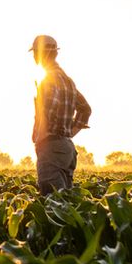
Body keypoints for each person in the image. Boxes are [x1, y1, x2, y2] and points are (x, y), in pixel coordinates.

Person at [30, 35, 91, 195]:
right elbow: (86, 109)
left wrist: (42, 137)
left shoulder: (48, 79)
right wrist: (69, 132)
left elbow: (49, 109)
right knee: (66, 203)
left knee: (53, 202)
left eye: (35, 53)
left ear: (39, 54)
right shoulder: (67, 80)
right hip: (67, 148)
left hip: (51, 147)